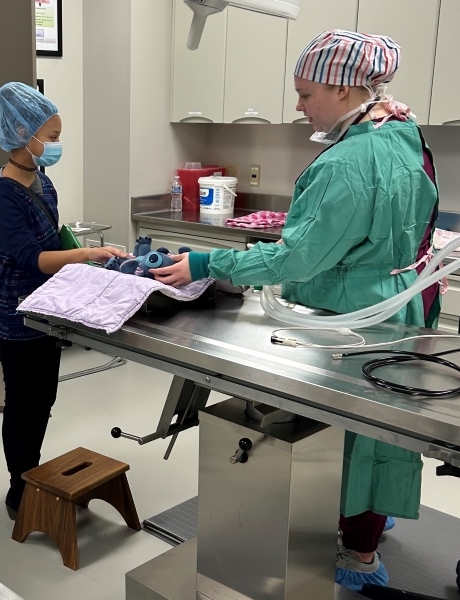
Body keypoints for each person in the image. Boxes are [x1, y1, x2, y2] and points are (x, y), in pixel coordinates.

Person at [153, 30, 439, 592]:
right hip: (397, 310)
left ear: (341, 87)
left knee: (343, 435)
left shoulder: (348, 160)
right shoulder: (404, 133)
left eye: (306, 93)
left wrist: (207, 264)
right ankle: (364, 538)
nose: (299, 104)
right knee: (380, 432)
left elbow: (301, 258)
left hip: (349, 318)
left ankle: (343, 556)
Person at [0, 82, 128, 519]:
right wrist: (87, 253)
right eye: (53, 137)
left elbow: (49, 241)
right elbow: (30, 256)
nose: (56, 145)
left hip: (48, 310)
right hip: (16, 313)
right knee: (22, 402)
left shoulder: (43, 181)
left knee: (43, 399)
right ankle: (18, 489)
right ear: (23, 134)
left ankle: (32, 472)